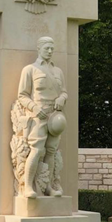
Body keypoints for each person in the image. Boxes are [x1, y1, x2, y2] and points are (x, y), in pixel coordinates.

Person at [17, 36, 67, 198]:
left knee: (51, 151)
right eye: (47, 48)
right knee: (37, 150)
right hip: (38, 116)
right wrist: (34, 108)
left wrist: (61, 98)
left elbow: (64, 92)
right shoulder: (29, 69)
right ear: (39, 49)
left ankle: (47, 188)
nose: (50, 51)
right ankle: (28, 187)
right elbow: (22, 95)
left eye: (52, 48)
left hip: (55, 117)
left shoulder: (58, 71)